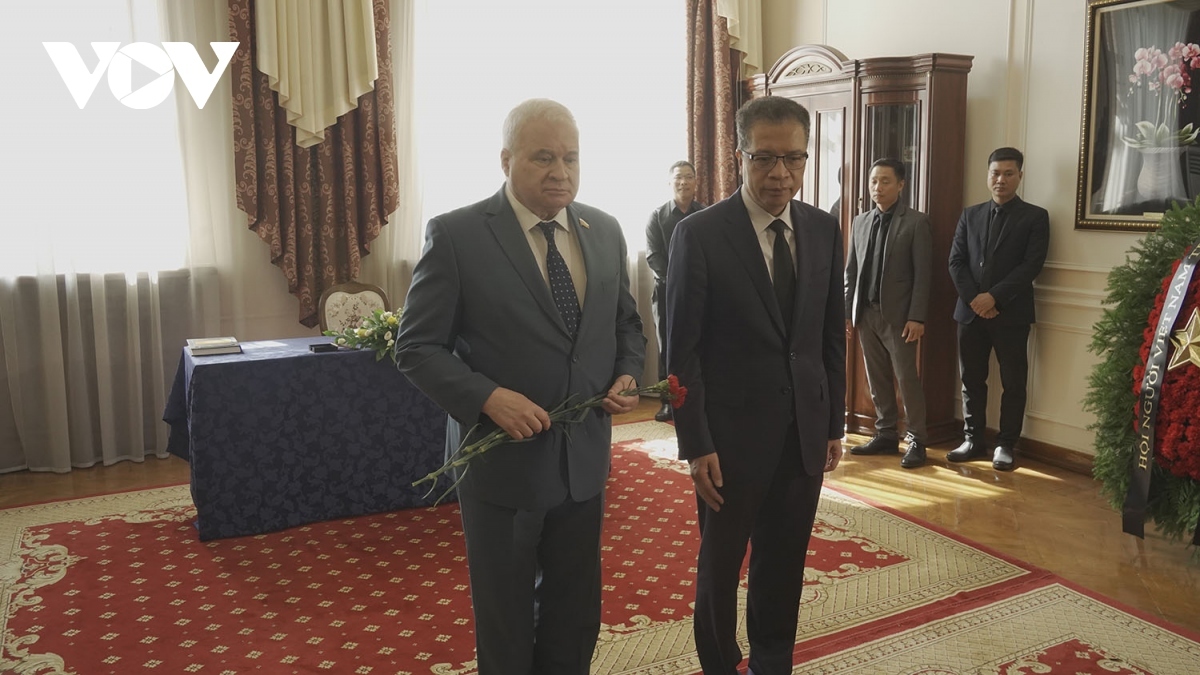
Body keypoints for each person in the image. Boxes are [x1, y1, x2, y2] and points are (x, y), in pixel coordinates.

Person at [394, 98, 646, 674]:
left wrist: (627, 373)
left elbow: (625, 324)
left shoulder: (604, 229)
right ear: (506, 160)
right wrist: (487, 397)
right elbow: (417, 347)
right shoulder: (457, 234)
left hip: (583, 458)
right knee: (506, 617)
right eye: (543, 157)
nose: (561, 172)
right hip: (501, 463)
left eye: (571, 158)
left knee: (574, 611)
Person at [666, 95, 845, 675]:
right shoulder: (700, 234)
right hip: (728, 441)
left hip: (803, 433)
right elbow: (682, 353)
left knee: (784, 561)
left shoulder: (822, 228)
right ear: (739, 156)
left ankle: (773, 661)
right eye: (764, 158)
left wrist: (833, 423)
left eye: (794, 158)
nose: (780, 174)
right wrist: (695, 443)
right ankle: (719, 663)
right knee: (720, 567)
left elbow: (829, 337)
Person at [946, 147, 1048, 471]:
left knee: (1013, 383)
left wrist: (994, 298)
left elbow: (1031, 265)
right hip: (970, 314)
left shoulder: (1035, 217)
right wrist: (976, 300)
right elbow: (956, 262)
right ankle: (972, 439)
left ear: (1020, 175)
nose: (1000, 179)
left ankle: (1006, 444)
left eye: (1008, 173)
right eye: (995, 173)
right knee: (971, 380)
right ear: (987, 175)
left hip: (1011, 314)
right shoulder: (970, 214)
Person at [844, 158, 932, 468]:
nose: (877, 187)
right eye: (873, 181)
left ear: (900, 185)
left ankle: (917, 440)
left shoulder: (916, 222)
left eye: (885, 181)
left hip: (900, 318)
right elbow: (851, 271)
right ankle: (885, 434)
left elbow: (923, 275)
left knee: (906, 379)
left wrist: (917, 317)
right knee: (876, 377)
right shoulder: (860, 221)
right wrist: (847, 312)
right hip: (866, 314)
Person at [645, 160, 705, 421]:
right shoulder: (657, 217)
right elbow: (654, 257)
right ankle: (668, 402)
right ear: (669, 182)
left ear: (695, 182)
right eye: (678, 177)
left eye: (688, 177)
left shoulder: (705, 215)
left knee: (699, 346)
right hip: (666, 294)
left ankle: (696, 398)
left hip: (700, 293)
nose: (683, 182)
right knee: (667, 348)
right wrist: (677, 284)